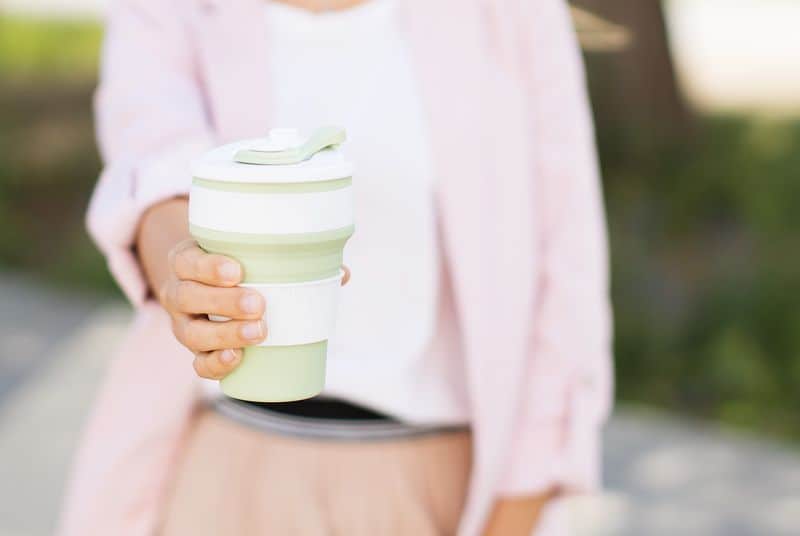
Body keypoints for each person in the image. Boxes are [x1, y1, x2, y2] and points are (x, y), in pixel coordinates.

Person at [58, 0, 612, 534]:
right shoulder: (171, 9)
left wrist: (513, 518)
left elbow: (566, 297)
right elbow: (154, 163)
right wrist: (182, 264)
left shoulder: (510, 13)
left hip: (434, 488)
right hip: (226, 473)